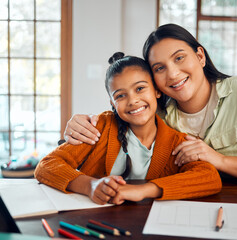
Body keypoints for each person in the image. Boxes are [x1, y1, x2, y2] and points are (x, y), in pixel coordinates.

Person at [64, 24, 237, 191]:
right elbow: (122, 111)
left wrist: (218, 159)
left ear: (199, 56)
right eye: (160, 68)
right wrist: (78, 126)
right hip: (180, 205)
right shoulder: (158, 112)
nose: (173, 74)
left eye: (179, 58)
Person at [34, 52, 222, 205]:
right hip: (95, 220)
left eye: (140, 89)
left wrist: (142, 190)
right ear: (113, 104)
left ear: (157, 90)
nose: (132, 101)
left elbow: (209, 177)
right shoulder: (100, 127)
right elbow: (46, 165)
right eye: (121, 96)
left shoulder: (175, 141)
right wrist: (90, 186)